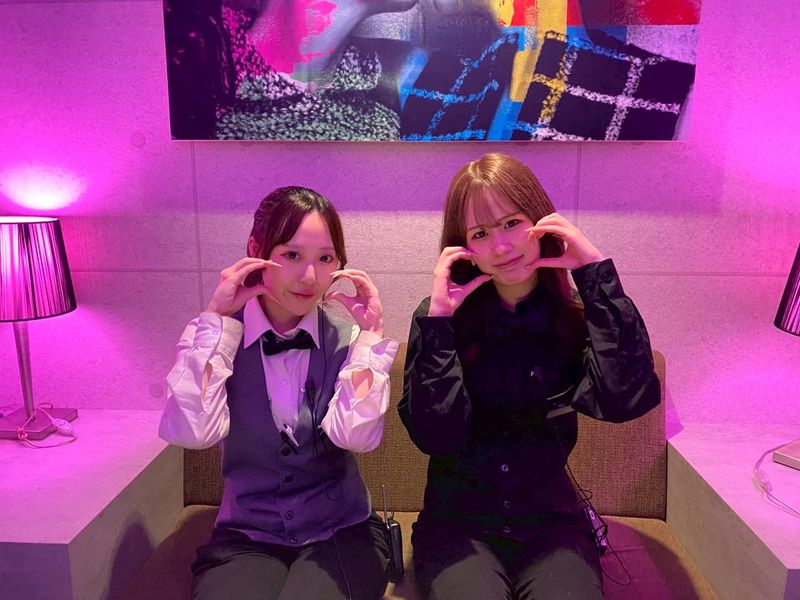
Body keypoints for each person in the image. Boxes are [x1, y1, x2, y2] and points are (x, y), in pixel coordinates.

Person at [398, 153, 661, 599]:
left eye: (512, 223)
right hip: (459, 526)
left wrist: (593, 271)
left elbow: (623, 401)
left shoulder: (578, 315)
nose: (501, 246)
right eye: (481, 233)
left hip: (551, 524)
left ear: (540, 221)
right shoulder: (439, 319)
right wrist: (440, 321)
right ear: (463, 248)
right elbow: (435, 436)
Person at [159, 186, 399, 600]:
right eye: (291, 255)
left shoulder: (350, 342)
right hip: (246, 536)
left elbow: (355, 437)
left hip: (342, 533)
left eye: (325, 259)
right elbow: (191, 433)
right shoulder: (214, 339)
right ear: (256, 250)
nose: (309, 277)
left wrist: (371, 337)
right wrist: (217, 322)